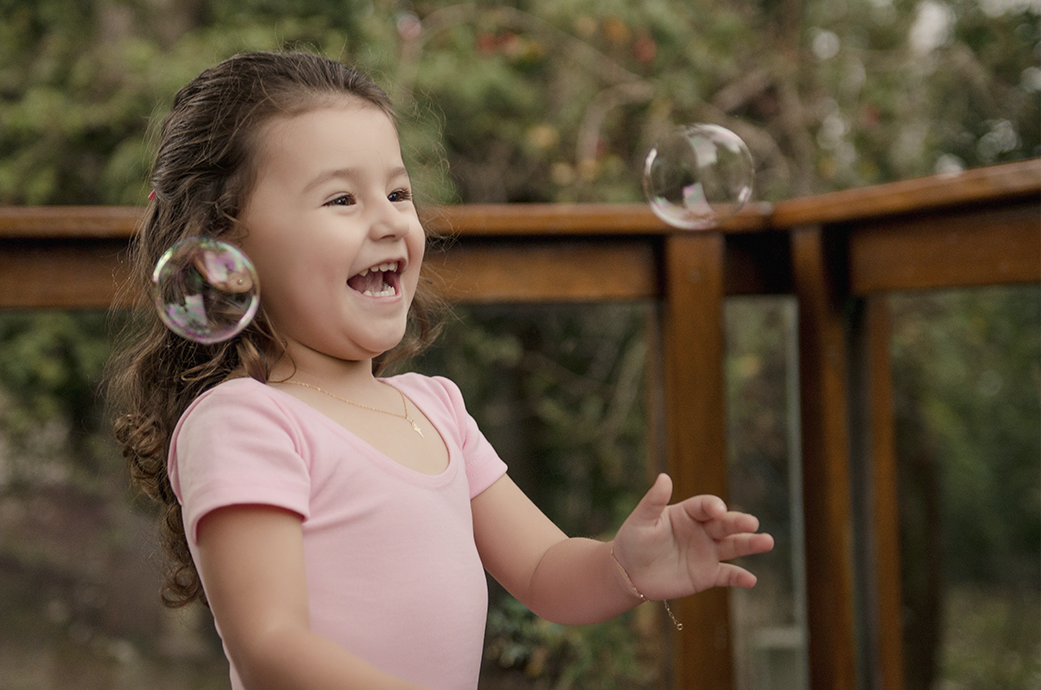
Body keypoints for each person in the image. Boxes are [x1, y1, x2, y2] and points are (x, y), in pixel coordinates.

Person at [108, 50, 774, 690]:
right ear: (223, 246)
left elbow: (545, 570)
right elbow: (271, 649)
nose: (389, 221)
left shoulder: (436, 409)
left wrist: (622, 565)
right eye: (341, 200)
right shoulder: (246, 421)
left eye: (398, 192)